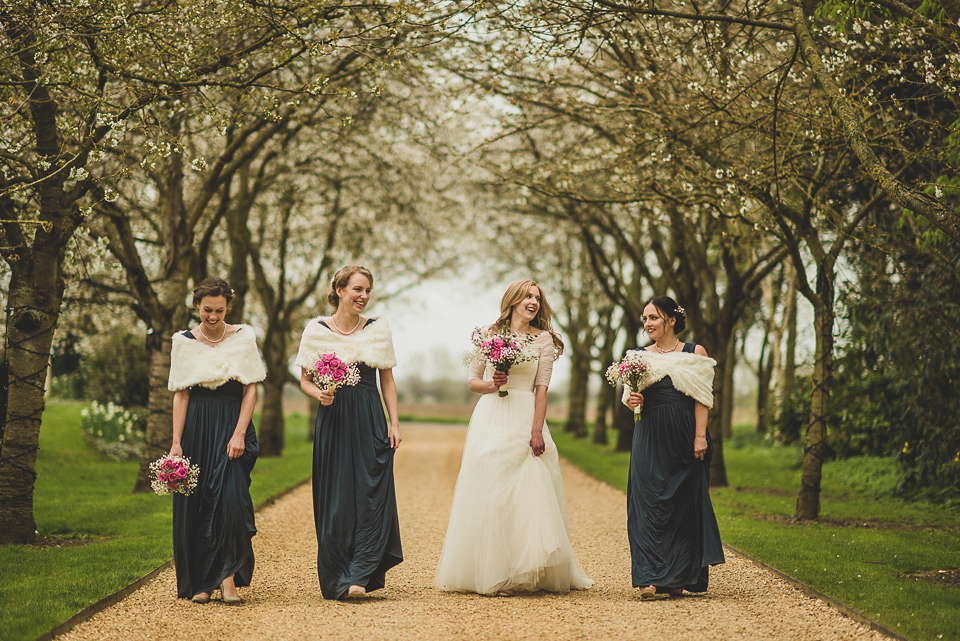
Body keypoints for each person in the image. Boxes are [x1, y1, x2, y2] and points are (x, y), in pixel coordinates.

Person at [435, 279, 593, 597]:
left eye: (537, 297)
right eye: (527, 296)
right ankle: (496, 571)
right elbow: (472, 382)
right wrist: (494, 383)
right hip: (492, 415)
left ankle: (526, 571)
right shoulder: (491, 335)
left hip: (525, 414)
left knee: (529, 491)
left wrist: (536, 431)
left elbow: (542, 389)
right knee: (493, 490)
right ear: (514, 300)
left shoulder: (543, 339)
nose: (533, 302)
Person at [295, 265, 403, 600]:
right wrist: (319, 395)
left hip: (369, 418)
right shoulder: (315, 331)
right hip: (333, 419)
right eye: (357, 289)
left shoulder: (378, 329)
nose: (364, 296)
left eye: (368, 290)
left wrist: (394, 423)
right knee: (337, 498)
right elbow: (305, 380)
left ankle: (361, 573)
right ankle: (337, 574)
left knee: (371, 495)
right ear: (339, 290)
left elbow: (387, 380)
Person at [167, 277, 266, 603]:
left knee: (230, 503)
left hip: (232, 425)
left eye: (219, 311)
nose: (212, 316)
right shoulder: (183, 341)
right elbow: (181, 394)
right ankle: (202, 582)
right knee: (197, 506)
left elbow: (251, 387)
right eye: (207, 310)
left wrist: (239, 432)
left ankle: (228, 580)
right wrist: (176, 444)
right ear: (196, 306)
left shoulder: (243, 337)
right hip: (196, 428)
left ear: (228, 307)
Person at [622, 295, 725, 598]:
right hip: (649, 437)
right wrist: (633, 401)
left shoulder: (695, 352)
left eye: (653, 317)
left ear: (670, 320)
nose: (647, 324)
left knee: (681, 507)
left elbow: (703, 398)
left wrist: (700, 436)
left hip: (685, 438)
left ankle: (677, 576)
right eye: (644, 318)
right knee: (646, 505)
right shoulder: (637, 355)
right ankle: (647, 577)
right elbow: (628, 397)